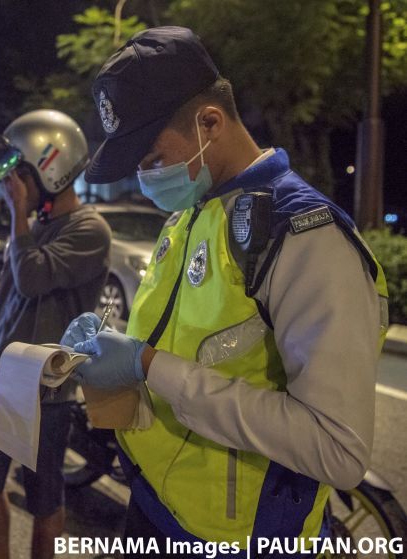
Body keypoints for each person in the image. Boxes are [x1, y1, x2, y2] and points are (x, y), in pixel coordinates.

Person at [61, 27, 388, 557]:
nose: (146, 176)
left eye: (150, 157)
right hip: (155, 506)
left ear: (209, 121)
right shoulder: (190, 213)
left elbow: (337, 450)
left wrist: (147, 365)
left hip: (237, 541)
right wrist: (112, 348)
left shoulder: (304, 235)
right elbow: (189, 345)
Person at [0, 109, 111, 559]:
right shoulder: (35, 227)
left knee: (45, 499)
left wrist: (19, 218)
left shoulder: (89, 230)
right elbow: (6, 301)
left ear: (49, 168)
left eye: (17, 174)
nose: (11, 186)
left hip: (46, 392)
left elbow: (32, 279)